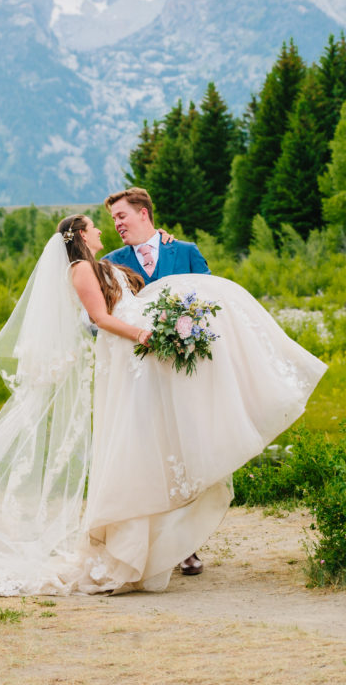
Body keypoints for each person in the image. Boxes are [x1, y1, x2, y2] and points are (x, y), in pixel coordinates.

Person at [0, 212, 327, 597]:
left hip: (136, 360)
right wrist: (143, 335)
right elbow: (101, 320)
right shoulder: (81, 269)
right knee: (134, 443)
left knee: (159, 436)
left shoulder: (102, 265)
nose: (104, 229)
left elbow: (134, 294)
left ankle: (165, 538)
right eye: (96, 225)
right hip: (125, 359)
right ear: (81, 234)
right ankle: (130, 544)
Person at [102, 186, 209, 575]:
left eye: (121, 217)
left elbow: (212, 305)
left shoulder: (186, 252)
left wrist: (187, 334)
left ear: (143, 213)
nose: (116, 225)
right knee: (150, 457)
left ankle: (187, 544)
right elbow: (98, 320)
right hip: (139, 378)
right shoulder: (110, 263)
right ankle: (157, 545)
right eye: (113, 219)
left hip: (183, 375)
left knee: (186, 455)